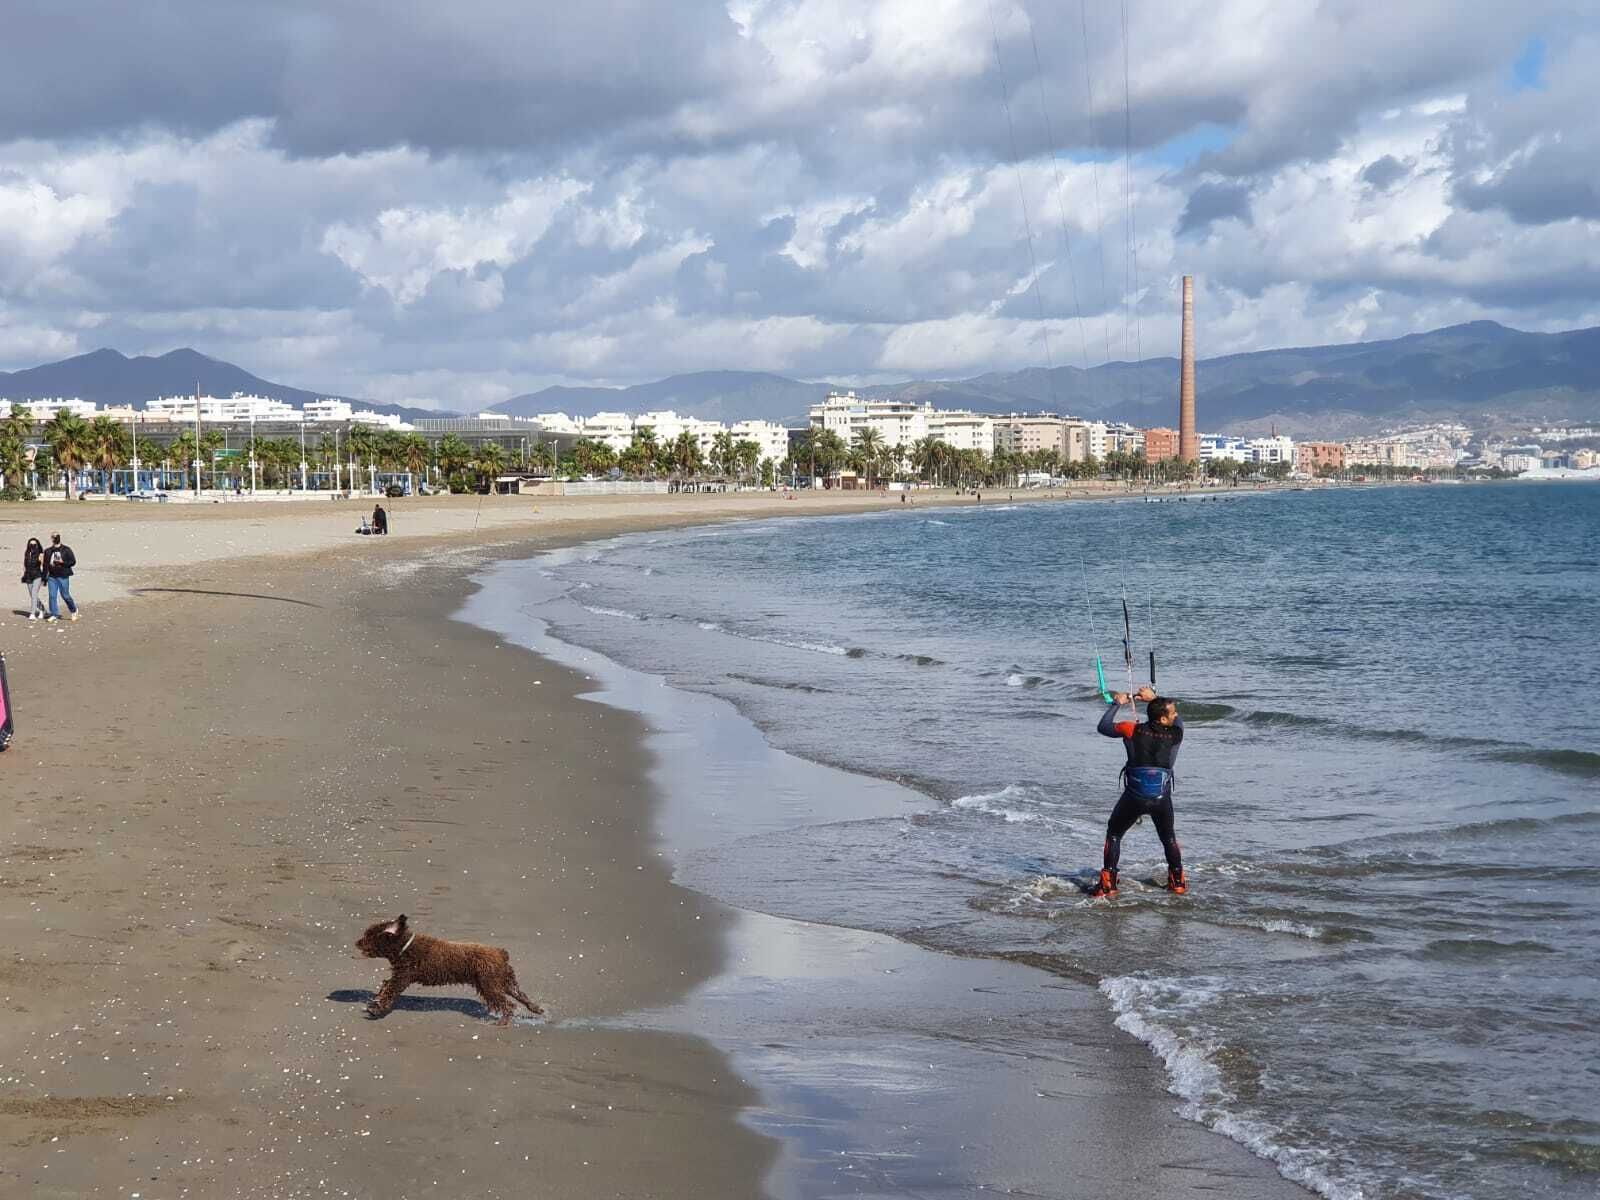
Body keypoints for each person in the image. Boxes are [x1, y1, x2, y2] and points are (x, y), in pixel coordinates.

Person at [1087, 684, 1185, 897]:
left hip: (1134, 797)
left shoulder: (1130, 729)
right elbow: (1178, 722)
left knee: (1114, 833)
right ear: (1163, 719)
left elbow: (1103, 727)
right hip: (1161, 798)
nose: (1176, 714)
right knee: (1168, 838)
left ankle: (1108, 884)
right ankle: (1177, 882)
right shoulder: (1176, 734)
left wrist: (1117, 703)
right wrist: (1153, 698)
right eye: (1173, 712)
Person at [43, 532, 78, 622]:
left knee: (65, 595)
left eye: (56, 536)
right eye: (53, 537)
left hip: (63, 576)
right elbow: (45, 565)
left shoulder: (66, 549)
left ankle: (73, 610)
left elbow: (73, 561)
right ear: (51, 538)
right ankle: (54, 614)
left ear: (59, 538)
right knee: (52, 596)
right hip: (52, 576)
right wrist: (44, 578)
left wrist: (63, 562)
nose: (55, 538)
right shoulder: (48, 551)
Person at [21, 537, 47, 620]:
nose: (32, 545)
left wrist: (44, 578)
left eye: (34, 544)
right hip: (28, 576)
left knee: (34, 593)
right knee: (32, 595)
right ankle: (42, 609)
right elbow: (24, 564)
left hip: (37, 575)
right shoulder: (27, 553)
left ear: (37, 545)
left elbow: (44, 565)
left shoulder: (40, 554)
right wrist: (24, 574)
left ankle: (32, 613)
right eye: (31, 544)